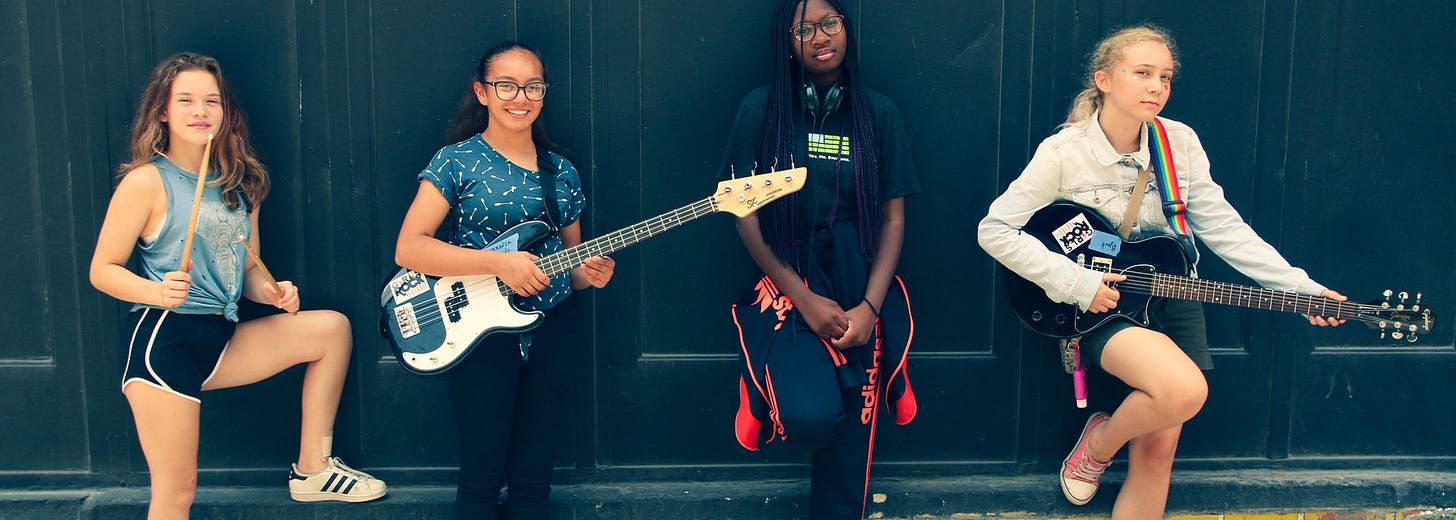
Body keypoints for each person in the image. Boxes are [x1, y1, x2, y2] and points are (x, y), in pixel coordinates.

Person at [977, 26, 1346, 518]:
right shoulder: (1065, 152)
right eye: (1142, 73)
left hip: (1173, 291)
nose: (1157, 87)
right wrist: (1079, 284)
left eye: (1165, 77)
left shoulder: (1179, 143)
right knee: (1184, 390)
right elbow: (995, 229)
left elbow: (1225, 229)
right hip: (1100, 298)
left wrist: (1305, 290)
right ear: (1104, 79)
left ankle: (1102, 444)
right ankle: (1099, 446)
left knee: (1156, 454)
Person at [89, 52, 386, 519]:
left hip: (219, 335)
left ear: (225, 113)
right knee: (177, 491)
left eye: (211, 100)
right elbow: (102, 269)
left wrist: (270, 290)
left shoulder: (239, 184)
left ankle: (313, 469)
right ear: (163, 110)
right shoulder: (147, 181)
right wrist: (154, 290)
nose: (200, 111)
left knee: (331, 329)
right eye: (185, 100)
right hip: (165, 341)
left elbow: (246, 269)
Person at [393, 41, 614, 520]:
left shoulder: (563, 172)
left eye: (532, 86)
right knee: (480, 479)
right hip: (477, 334)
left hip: (553, 330)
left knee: (534, 481)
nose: (521, 97)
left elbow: (570, 265)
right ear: (483, 92)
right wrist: (498, 264)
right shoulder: (456, 161)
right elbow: (409, 247)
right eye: (507, 85)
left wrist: (588, 273)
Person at [719, 1, 920, 518]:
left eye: (830, 23)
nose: (820, 36)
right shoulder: (759, 109)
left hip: (860, 270)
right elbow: (746, 217)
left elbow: (894, 220)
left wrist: (870, 308)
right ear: (786, 42)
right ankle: (760, 380)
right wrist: (802, 298)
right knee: (810, 418)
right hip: (788, 274)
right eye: (803, 28)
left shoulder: (879, 112)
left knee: (856, 431)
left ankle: (885, 361)